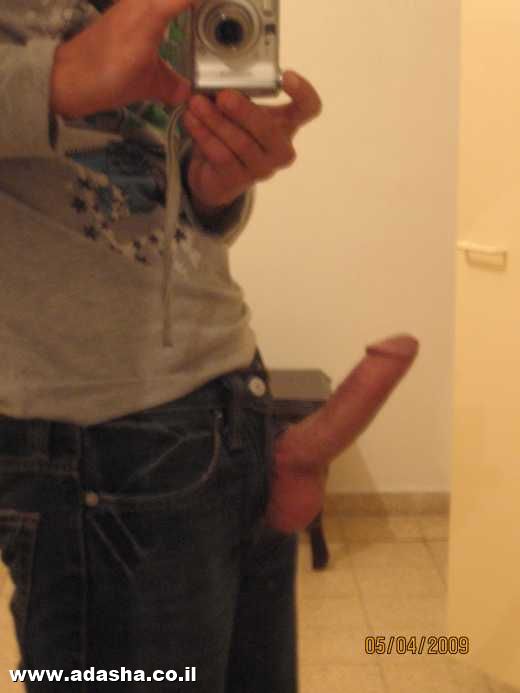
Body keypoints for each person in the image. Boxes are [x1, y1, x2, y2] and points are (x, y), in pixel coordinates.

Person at [0, 0, 418, 691]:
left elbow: (175, 211)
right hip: (97, 443)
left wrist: (215, 187)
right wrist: (56, 76)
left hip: (227, 393)